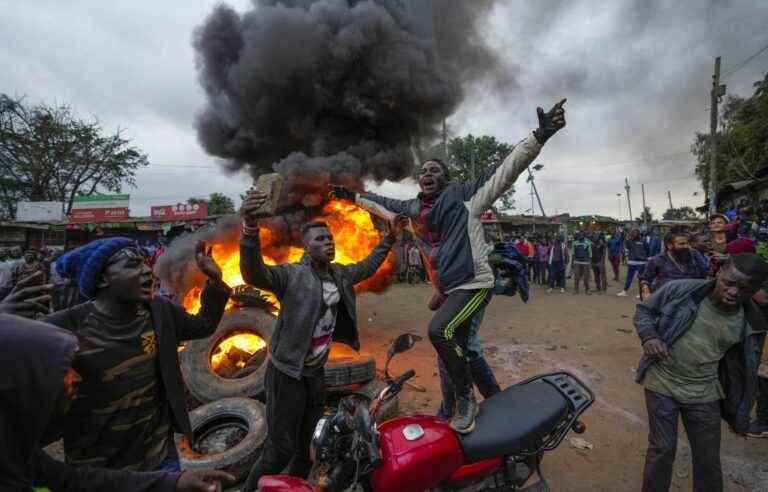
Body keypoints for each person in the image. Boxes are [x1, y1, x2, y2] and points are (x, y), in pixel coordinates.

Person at [332, 99, 566, 432]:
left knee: (440, 331)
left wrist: (540, 135)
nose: (428, 174)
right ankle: (498, 405)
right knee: (465, 348)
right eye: (424, 172)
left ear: (446, 179)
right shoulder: (412, 210)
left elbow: (505, 169)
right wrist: (348, 195)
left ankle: (463, 399)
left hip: (473, 284)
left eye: (435, 171)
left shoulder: (466, 197)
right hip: (450, 290)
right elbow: (381, 204)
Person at [240, 190, 407, 489]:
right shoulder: (291, 275)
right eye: (319, 239)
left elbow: (368, 265)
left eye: (329, 238)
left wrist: (390, 238)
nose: (327, 242)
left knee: (307, 448)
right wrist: (249, 228)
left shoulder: (340, 275)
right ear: (305, 246)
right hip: (287, 374)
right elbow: (254, 273)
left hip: (315, 374)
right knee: (279, 450)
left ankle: (294, 487)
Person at [40, 238, 231, 472]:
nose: (147, 271)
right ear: (102, 279)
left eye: (144, 263)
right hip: (98, 468)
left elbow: (203, 325)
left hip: (160, 457)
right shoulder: (66, 326)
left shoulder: (159, 311)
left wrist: (215, 281)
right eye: (132, 265)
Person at [0, 314, 235, 492]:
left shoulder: (14, 446)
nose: (77, 377)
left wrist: (176, 482)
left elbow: (72, 480)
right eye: (63, 368)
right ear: (25, 379)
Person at [633, 254, 768, 492]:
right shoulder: (680, 290)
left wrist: (740, 414)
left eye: (745, 289)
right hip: (662, 382)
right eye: (729, 282)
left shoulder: (753, 323)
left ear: (756, 290)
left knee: (708, 458)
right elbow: (644, 312)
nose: (734, 292)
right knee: (662, 450)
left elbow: (745, 374)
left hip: (705, 391)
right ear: (718, 272)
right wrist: (650, 336)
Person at [639, 232, 707, 297]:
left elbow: (705, 275)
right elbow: (645, 279)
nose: (686, 246)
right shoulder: (657, 260)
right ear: (669, 245)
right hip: (667, 302)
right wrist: (646, 291)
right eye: (682, 244)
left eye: (687, 243)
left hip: (693, 300)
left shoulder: (695, 256)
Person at [618, 229, 649, 297]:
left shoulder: (643, 241)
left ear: (638, 234)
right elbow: (623, 241)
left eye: (636, 233)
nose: (634, 234)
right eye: (633, 233)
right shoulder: (629, 241)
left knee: (641, 278)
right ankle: (624, 291)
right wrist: (622, 233)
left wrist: (646, 258)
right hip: (632, 262)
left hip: (641, 263)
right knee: (629, 277)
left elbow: (647, 250)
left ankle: (641, 293)